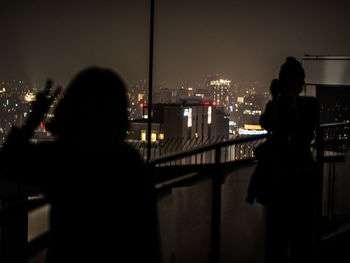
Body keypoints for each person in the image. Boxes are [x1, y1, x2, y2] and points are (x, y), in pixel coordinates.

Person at [0, 67, 160, 262]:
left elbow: (8, 163)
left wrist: (35, 117)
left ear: (71, 109)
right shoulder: (129, 162)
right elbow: (148, 240)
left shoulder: (62, 159)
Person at [247, 57, 319, 262]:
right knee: (281, 242)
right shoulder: (278, 105)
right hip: (283, 181)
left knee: (295, 242)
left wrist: (285, 100)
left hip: (294, 179)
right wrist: (277, 100)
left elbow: (301, 128)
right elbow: (266, 123)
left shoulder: (308, 105)